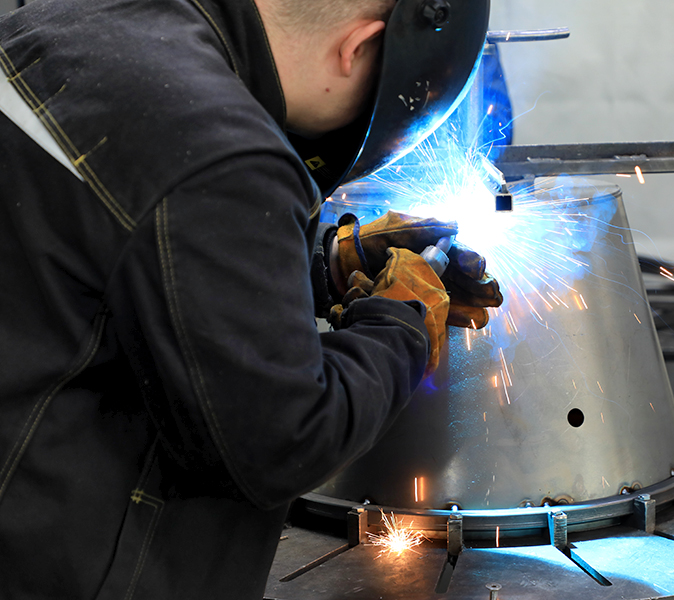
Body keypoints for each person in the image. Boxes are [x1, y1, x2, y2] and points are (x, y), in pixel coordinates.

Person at [0, 0, 500, 597]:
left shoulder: (72, 25)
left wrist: (330, 261)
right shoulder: (220, 142)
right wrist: (401, 323)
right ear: (358, 48)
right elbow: (284, 439)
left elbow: (148, 247)